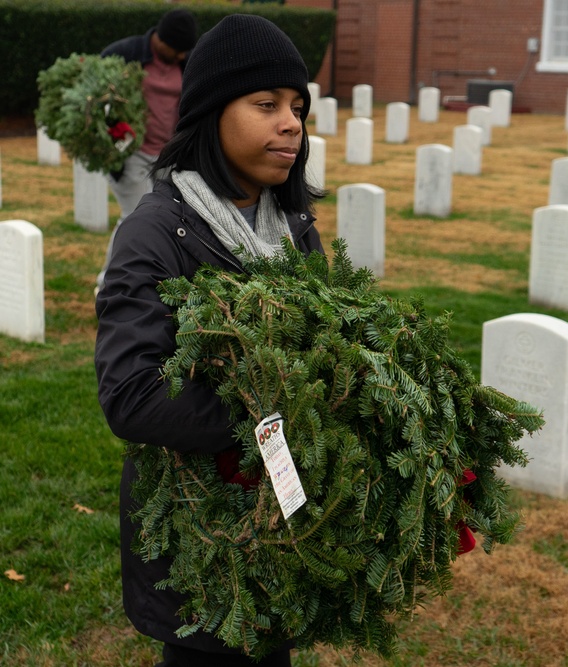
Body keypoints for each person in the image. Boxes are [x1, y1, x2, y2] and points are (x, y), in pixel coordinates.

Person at [94, 14, 324, 666]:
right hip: (199, 535)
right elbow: (132, 393)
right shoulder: (156, 234)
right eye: (267, 104)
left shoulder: (295, 224)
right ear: (211, 113)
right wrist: (271, 410)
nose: (291, 123)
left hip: (279, 522)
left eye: (298, 107)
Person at [96, 8, 198, 291]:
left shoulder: (186, 61)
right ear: (159, 38)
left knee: (169, 220)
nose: (179, 56)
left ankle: (157, 280)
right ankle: (108, 285)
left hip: (169, 156)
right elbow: (96, 101)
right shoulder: (124, 54)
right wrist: (116, 137)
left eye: (183, 52)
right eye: (175, 49)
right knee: (134, 218)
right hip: (132, 154)